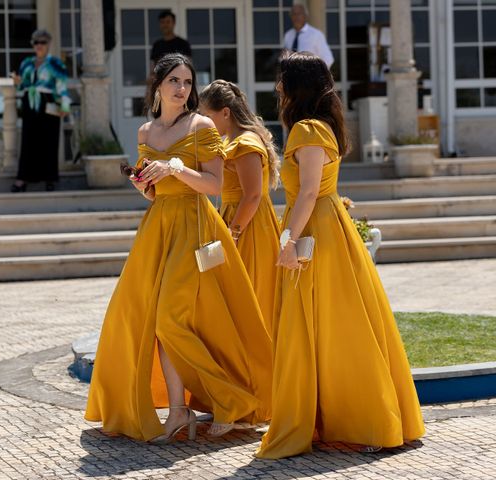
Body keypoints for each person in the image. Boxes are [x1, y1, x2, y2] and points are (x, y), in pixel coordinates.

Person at [85, 53, 272, 443]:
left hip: (196, 226)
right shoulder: (144, 132)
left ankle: (231, 400)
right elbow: (155, 195)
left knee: (171, 318)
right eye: (174, 81)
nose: (182, 88)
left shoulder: (201, 125)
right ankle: (176, 412)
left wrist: (175, 167)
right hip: (159, 228)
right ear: (157, 85)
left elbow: (214, 186)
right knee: (150, 321)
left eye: (187, 82)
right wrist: (144, 185)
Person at [256, 51, 425, 459]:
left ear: (295, 86)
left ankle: (358, 418)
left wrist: (286, 240)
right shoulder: (319, 127)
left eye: (282, 80)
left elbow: (309, 192)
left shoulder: (307, 129)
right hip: (328, 227)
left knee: (332, 327)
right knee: (337, 324)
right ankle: (340, 416)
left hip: (319, 232)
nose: (277, 88)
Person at [199, 80, 281, 332]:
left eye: (206, 116)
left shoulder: (245, 143)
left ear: (225, 112)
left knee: (250, 292)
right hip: (236, 218)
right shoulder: (229, 142)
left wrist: (233, 232)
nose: (203, 122)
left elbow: (253, 194)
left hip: (249, 226)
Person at [10, 29, 70, 192]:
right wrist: (18, 82)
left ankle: (49, 179)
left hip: (49, 103)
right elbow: (23, 86)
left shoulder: (55, 63)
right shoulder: (26, 63)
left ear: (49, 44)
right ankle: (22, 179)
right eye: (36, 42)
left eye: (43, 42)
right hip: (30, 103)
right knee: (28, 142)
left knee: (49, 142)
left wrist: (65, 105)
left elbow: (61, 85)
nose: (39, 45)